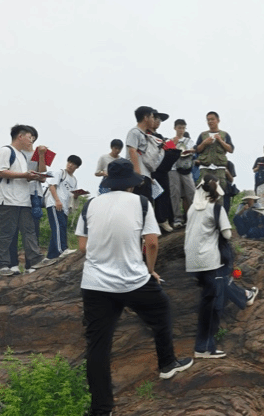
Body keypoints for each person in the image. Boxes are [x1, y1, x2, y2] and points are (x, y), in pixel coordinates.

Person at [76, 159, 193, 416]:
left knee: (97, 346)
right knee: (161, 310)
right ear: (131, 183)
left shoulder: (90, 204)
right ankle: (167, 363)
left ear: (109, 181)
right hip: (133, 280)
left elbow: (83, 247)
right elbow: (151, 243)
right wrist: (150, 270)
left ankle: (101, 409)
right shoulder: (141, 203)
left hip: (96, 285)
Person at [184, 173, 258, 359]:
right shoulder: (215, 208)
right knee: (213, 306)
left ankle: (245, 295)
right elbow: (227, 234)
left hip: (192, 262)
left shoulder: (192, 208)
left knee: (210, 298)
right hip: (209, 260)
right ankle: (205, 348)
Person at [0, 125, 46, 276]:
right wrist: (25, 175)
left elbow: (21, 176)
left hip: (23, 199)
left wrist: (32, 176)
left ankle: (35, 259)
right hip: (8, 199)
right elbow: (0, 171)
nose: (31, 141)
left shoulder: (21, 155)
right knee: (6, 232)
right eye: (29, 137)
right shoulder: (6, 151)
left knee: (29, 230)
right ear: (20, 136)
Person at [8, 126, 48, 274]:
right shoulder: (14, 153)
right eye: (28, 136)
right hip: (16, 194)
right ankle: (12, 264)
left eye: (32, 137)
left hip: (33, 194)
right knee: (12, 230)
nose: (30, 140)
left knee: (32, 230)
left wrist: (42, 155)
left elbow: (43, 175)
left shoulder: (37, 154)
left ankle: (30, 265)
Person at [34, 155, 82, 269]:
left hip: (64, 207)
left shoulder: (74, 180)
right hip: (55, 204)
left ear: (77, 167)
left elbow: (71, 195)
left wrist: (76, 196)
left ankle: (51, 256)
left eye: (73, 164)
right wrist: (57, 201)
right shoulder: (61, 173)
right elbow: (52, 186)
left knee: (61, 227)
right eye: (69, 162)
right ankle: (63, 249)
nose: (70, 165)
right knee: (58, 227)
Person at [195, 111, 234, 193]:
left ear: (218, 120)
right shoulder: (203, 135)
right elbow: (197, 150)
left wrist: (220, 141)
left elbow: (231, 150)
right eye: (208, 120)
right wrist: (204, 143)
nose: (210, 122)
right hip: (205, 168)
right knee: (203, 193)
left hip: (219, 169)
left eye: (212, 119)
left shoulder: (225, 135)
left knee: (219, 192)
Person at [169, 119, 195, 228]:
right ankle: (177, 218)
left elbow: (192, 151)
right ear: (175, 128)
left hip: (185, 168)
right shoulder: (170, 141)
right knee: (175, 193)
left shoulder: (189, 141)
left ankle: (193, 217)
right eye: (179, 128)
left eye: (183, 128)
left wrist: (189, 151)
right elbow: (166, 153)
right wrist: (173, 145)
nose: (181, 130)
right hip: (173, 168)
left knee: (191, 191)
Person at [126, 106, 155, 201]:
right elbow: (132, 151)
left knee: (147, 204)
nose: (153, 120)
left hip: (146, 176)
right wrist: (137, 174)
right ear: (146, 118)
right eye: (152, 117)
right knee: (138, 204)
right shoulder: (134, 132)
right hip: (138, 176)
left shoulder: (146, 135)